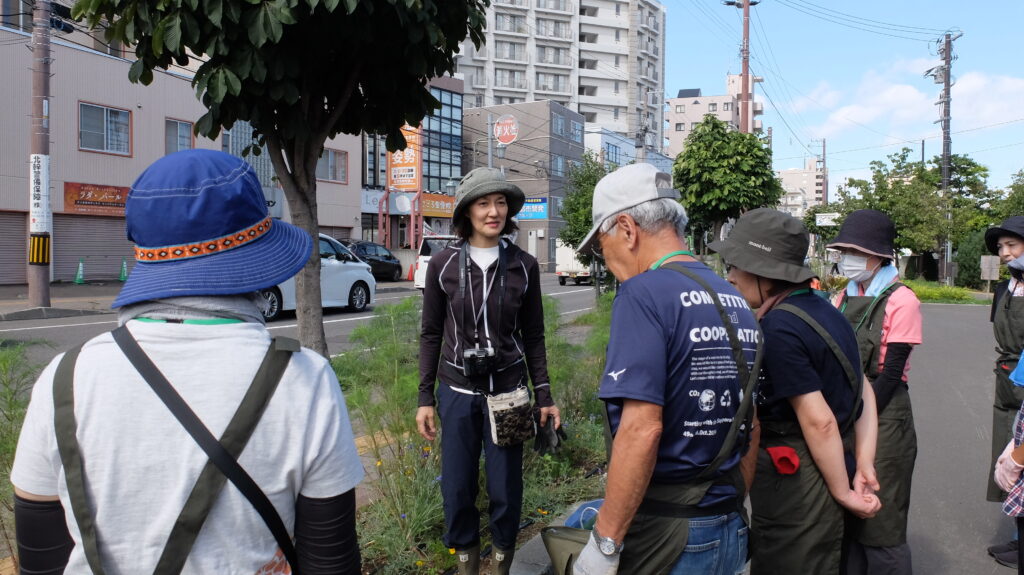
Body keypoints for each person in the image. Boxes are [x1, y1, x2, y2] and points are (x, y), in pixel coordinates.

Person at [10, 150, 364, 574]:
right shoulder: (305, 379)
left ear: (141, 253)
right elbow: (330, 561)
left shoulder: (64, 378)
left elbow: (41, 556)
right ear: (259, 259)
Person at [570, 164, 760, 575]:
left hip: (670, 536)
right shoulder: (732, 296)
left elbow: (642, 429)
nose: (606, 260)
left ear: (627, 229)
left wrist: (605, 543)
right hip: (729, 524)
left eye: (602, 246)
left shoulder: (643, 294)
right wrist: (727, 505)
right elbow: (750, 420)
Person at [709, 208, 881, 574]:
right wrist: (864, 463)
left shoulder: (780, 328)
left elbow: (819, 422)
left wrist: (843, 492)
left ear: (764, 271)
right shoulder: (826, 310)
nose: (730, 276)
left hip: (803, 481)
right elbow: (863, 389)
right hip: (840, 460)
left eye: (736, 266)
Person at [417, 167, 561, 575]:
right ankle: (466, 564)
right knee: (457, 489)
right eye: (483, 203)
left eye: (500, 203)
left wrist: (545, 396)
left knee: (506, 491)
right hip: (456, 392)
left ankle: (501, 565)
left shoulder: (524, 265)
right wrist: (425, 398)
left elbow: (534, 335)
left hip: (509, 394)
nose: (493, 211)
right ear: (467, 211)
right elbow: (430, 334)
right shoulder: (443, 265)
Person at [828, 209, 922, 575]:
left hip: (885, 412)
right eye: (844, 251)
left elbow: (892, 372)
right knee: (850, 515)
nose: (847, 259)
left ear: (878, 255)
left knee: (881, 518)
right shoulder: (842, 296)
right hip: (850, 408)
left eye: (855, 251)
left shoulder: (902, 299)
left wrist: (857, 416)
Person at [984, 216, 1024, 567]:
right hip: (1007, 378)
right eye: (1001, 247)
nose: (1005, 252)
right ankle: (1018, 536)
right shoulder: (1003, 289)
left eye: (1012, 245)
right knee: (1007, 459)